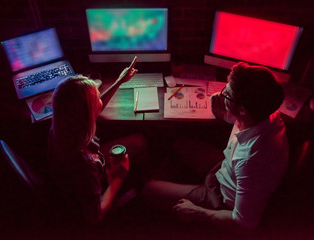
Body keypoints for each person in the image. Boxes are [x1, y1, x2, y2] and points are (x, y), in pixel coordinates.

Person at [142, 62, 289, 231]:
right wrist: (225, 112)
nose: (223, 93)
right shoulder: (268, 113)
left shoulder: (251, 161)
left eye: (228, 94)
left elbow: (244, 223)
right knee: (178, 143)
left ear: (242, 109)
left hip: (222, 197)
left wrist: (199, 212)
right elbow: (241, 121)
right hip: (225, 167)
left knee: (149, 190)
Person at [47, 63, 141, 224]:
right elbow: (94, 216)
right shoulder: (85, 166)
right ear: (87, 114)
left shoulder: (63, 124)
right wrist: (118, 178)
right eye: (97, 98)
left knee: (137, 141)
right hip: (95, 189)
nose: (100, 99)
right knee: (140, 142)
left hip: (86, 170)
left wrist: (119, 81)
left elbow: (92, 109)